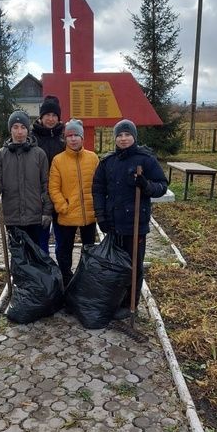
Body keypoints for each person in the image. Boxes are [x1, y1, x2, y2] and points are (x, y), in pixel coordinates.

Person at [92, 119, 168, 319]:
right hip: (114, 223)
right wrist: (101, 216)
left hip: (136, 224)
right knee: (115, 265)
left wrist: (147, 186)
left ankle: (130, 304)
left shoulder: (145, 160)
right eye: (119, 135)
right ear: (115, 138)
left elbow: (162, 186)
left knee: (134, 265)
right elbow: (98, 189)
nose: (123, 139)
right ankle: (115, 298)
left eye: (127, 135)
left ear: (134, 137)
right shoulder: (108, 162)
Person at [0, 110, 52, 246]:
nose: (19, 131)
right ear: (10, 130)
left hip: (34, 215)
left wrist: (47, 211)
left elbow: (46, 184)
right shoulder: (1, 155)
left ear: (28, 130)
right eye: (15, 127)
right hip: (12, 216)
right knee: (17, 256)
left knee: (35, 256)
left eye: (23, 127)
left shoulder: (39, 154)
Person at [49, 118, 99, 286]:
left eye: (76, 135)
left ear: (82, 138)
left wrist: (97, 205)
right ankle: (66, 280)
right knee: (65, 251)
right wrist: (63, 206)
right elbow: (54, 188)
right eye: (69, 135)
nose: (73, 139)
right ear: (65, 138)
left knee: (89, 250)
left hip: (89, 215)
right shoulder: (58, 160)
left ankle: (86, 280)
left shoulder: (93, 158)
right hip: (67, 214)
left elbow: (99, 184)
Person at [31, 95, 65, 254]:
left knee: (62, 238)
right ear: (41, 117)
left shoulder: (64, 138)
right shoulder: (32, 139)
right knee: (41, 238)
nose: (51, 119)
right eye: (47, 115)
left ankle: (62, 272)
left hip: (60, 194)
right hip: (39, 195)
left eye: (54, 115)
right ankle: (43, 272)